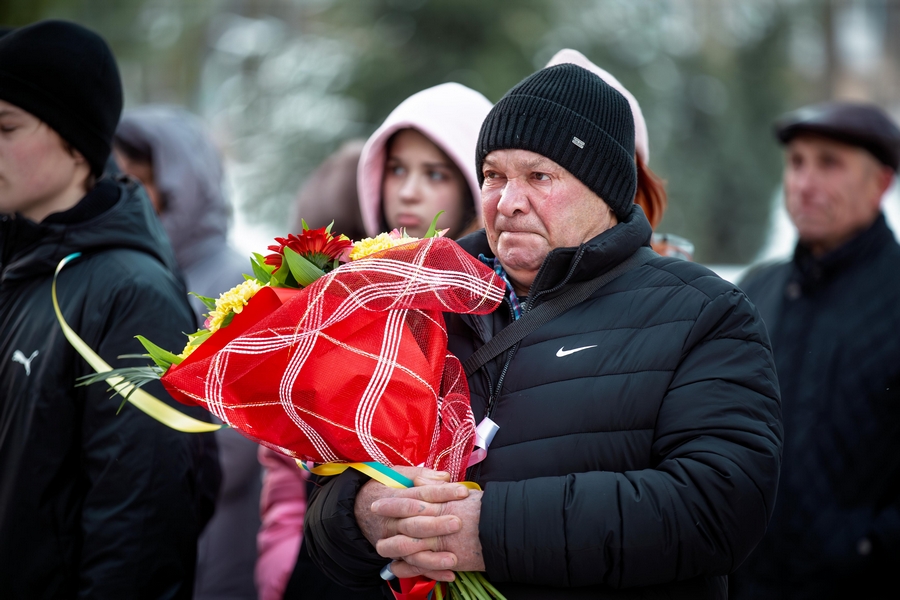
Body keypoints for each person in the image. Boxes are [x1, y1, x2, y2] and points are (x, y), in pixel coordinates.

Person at [304, 63, 783, 598]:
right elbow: (325, 495)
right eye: (493, 175)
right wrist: (362, 512)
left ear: (604, 191)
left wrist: (488, 530)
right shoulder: (420, 303)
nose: (507, 202)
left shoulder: (703, 312)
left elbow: (719, 508)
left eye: (539, 176)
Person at [0, 20, 220, 598]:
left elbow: (141, 525)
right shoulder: (19, 268)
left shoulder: (131, 292)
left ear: (76, 143)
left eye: (7, 126)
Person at [730, 102, 900, 599]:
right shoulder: (754, 290)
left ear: (881, 183)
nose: (804, 183)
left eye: (829, 163)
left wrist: (867, 545)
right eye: (797, 162)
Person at [114, 106, 262, 600]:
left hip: (214, 531)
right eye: (117, 181)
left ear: (183, 185)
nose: (128, 196)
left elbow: (241, 431)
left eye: (139, 181)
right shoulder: (121, 277)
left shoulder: (235, 281)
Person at [357, 82, 493, 240]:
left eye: (435, 175)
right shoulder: (349, 256)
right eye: (397, 170)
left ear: (473, 189)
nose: (407, 193)